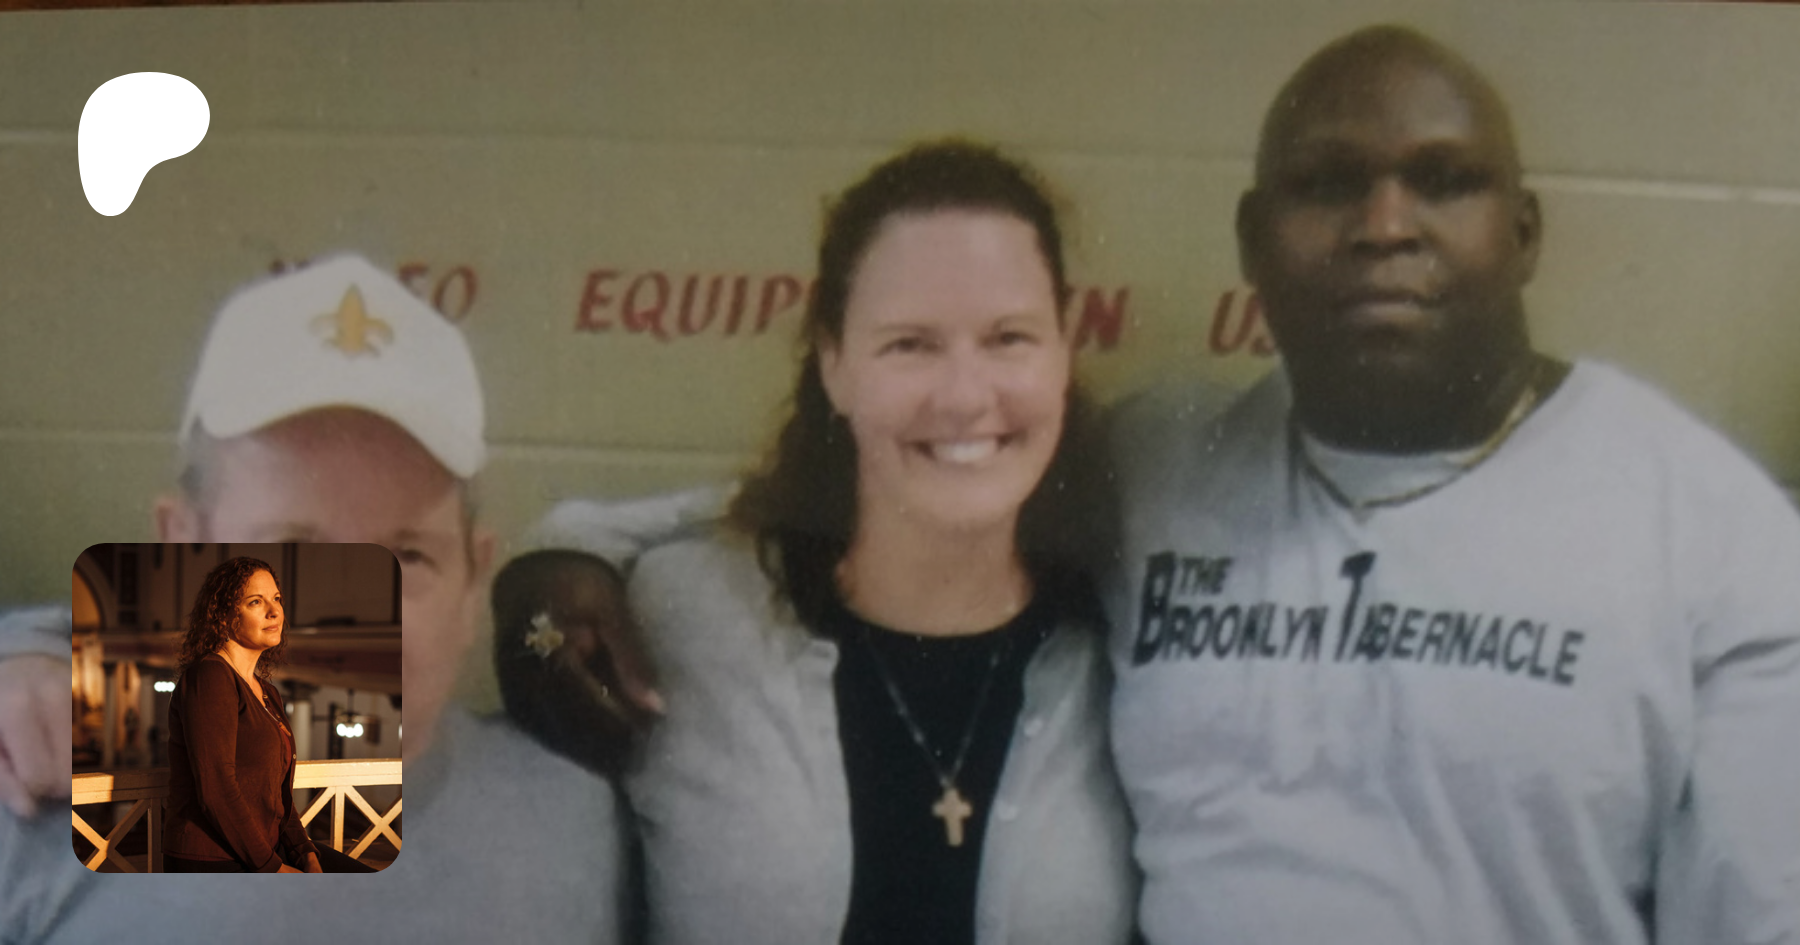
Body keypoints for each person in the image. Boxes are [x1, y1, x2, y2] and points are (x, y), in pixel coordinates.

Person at [1105, 24, 1800, 944]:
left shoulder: (1708, 527)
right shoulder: (1146, 469)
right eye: (1328, 184)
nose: (1385, 226)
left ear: (1524, 234)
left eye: (1443, 181)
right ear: (1252, 239)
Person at [531, 140, 1137, 945]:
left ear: (1065, 346)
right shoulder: (683, 612)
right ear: (833, 361)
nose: (964, 395)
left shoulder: (1126, 639)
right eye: (910, 343)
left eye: (1009, 337)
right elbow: (344, 827)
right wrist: (538, 589)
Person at [0, 255, 628, 941]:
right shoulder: (33, 799)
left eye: (407, 555)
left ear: (472, 581)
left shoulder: (578, 823)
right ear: (180, 547)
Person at [163, 556, 371, 874]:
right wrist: (274, 868)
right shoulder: (210, 677)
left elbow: (277, 796)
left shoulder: (267, 692)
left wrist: (304, 851)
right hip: (215, 859)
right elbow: (216, 789)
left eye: (276, 599)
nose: (274, 611)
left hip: (263, 850)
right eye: (256, 602)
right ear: (222, 616)